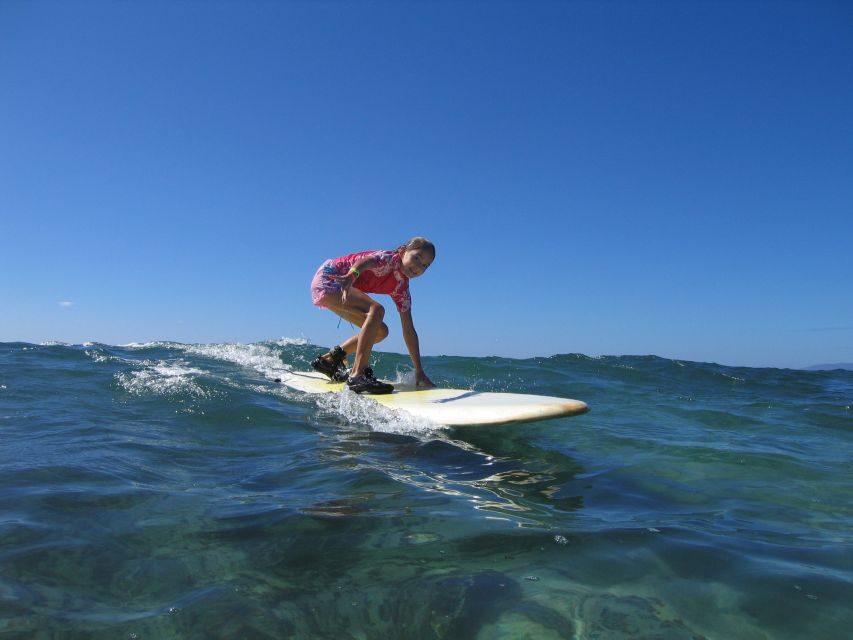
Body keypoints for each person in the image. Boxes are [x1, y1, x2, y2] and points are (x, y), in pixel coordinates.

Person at [309, 237, 436, 394]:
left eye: (425, 265)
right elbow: (366, 261)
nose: (418, 266)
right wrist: (352, 274)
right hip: (331, 278)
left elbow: (409, 330)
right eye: (416, 258)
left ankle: (330, 360)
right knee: (377, 310)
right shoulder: (388, 259)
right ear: (403, 251)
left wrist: (419, 371)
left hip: (340, 289)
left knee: (381, 331)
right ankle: (357, 375)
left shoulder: (402, 290)